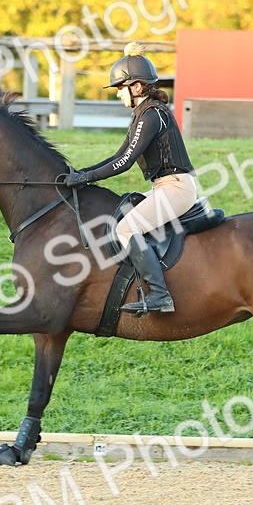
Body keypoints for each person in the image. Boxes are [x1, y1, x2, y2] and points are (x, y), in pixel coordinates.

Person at [62, 42, 196, 315]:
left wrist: (86, 177)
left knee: (126, 229)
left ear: (136, 87)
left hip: (176, 189)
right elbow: (118, 155)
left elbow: (125, 162)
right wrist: (81, 173)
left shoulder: (151, 115)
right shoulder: (143, 114)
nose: (117, 93)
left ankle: (160, 295)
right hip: (165, 187)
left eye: (120, 88)